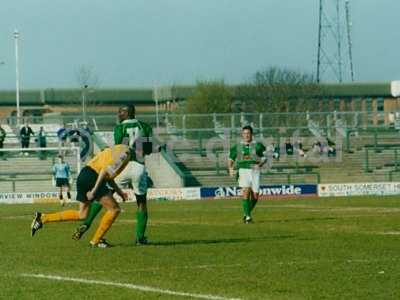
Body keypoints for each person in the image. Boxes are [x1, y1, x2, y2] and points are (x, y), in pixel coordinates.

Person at [31, 144, 130, 248]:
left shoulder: (115, 148)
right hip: (94, 177)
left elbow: (107, 175)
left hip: (84, 174)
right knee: (114, 209)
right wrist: (94, 190)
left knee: (82, 214)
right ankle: (96, 241)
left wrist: (120, 192)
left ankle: (43, 218)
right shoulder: (125, 154)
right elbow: (104, 171)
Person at [228, 125, 267, 224]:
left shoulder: (258, 146)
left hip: (254, 171)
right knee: (245, 191)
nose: (246, 135)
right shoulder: (236, 147)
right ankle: (248, 217)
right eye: (244, 133)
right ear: (242, 134)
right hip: (242, 170)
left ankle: (246, 213)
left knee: (255, 195)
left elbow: (264, 157)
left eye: (248, 133)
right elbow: (231, 159)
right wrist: (230, 169)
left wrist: (260, 165)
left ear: (251, 134)